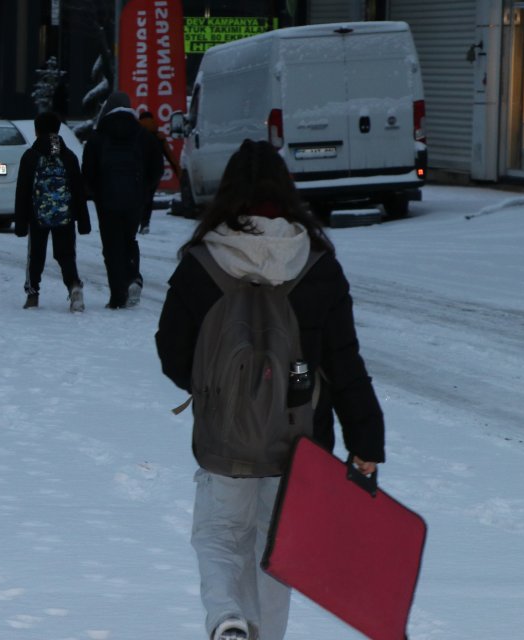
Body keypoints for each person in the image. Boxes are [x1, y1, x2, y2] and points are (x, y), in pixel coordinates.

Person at [154, 139, 385, 640]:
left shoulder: (202, 261)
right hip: (298, 448)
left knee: (218, 537)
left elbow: (172, 353)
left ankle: (226, 618)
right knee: (276, 552)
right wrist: (365, 444)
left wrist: (222, 391)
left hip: (224, 440)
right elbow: (345, 363)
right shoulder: (318, 263)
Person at [82, 91, 163, 309]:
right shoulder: (142, 135)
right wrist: (144, 190)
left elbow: (87, 170)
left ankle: (118, 295)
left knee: (111, 247)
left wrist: (95, 191)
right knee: (129, 241)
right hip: (134, 199)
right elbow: (157, 167)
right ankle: (133, 277)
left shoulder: (99, 136)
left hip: (107, 201)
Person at [14, 111, 91, 311]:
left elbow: (22, 191)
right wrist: (83, 221)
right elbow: (78, 191)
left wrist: (21, 223)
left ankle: (33, 295)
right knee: (66, 254)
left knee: (36, 255)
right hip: (65, 215)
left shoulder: (31, 156)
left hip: (37, 215)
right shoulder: (67, 156)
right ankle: (74, 285)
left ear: (37, 130)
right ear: (58, 130)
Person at [137, 110, 180, 235]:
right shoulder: (159, 136)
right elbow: (171, 157)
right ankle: (145, 224)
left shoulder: (135, 134)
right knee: (149, 197)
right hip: (156, 171)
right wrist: (179, 174)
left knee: (137, 197)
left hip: (139, 171)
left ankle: (136, 222)